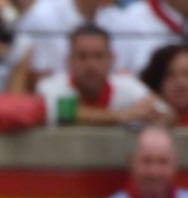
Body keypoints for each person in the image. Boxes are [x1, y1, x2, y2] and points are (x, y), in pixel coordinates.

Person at [37, 22, 165, 124]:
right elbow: (65, 114)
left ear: (111, 59)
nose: (90, 64)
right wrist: (123, 116)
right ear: (69, 60)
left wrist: (153, 115)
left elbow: (166, 114)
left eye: (98, 56)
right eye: (82, 56)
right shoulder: (51, 86)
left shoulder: (128, 85)